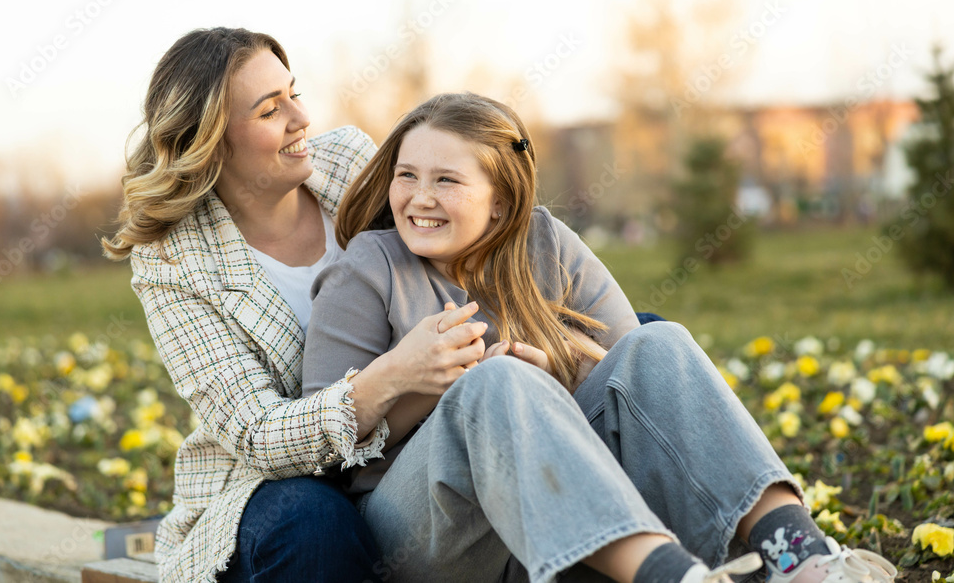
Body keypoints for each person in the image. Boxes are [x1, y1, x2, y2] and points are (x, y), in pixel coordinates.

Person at [301, 92, 899, 583]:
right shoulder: (368, 269)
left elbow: (632, 378)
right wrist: (423, 385)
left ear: (500, 202)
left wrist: (554, 377)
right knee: (495, 382)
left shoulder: (545, 242)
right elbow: (320, 449)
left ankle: (803, 561)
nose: (419, 198)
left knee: (659, 343)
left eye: (446, 180)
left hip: (567, 511)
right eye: (406, 175)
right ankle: (672, 578)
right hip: (431, 538)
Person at [101, 28, 492, 583]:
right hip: (275, 491)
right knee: (313, 520)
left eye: (294, 93)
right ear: (209, 141)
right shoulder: (173, 261)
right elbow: (255, 434)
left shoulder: (351, 163)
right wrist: (393, 375)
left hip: (408, 454)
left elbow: (458, 251)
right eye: (269, 110)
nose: (301, 118)